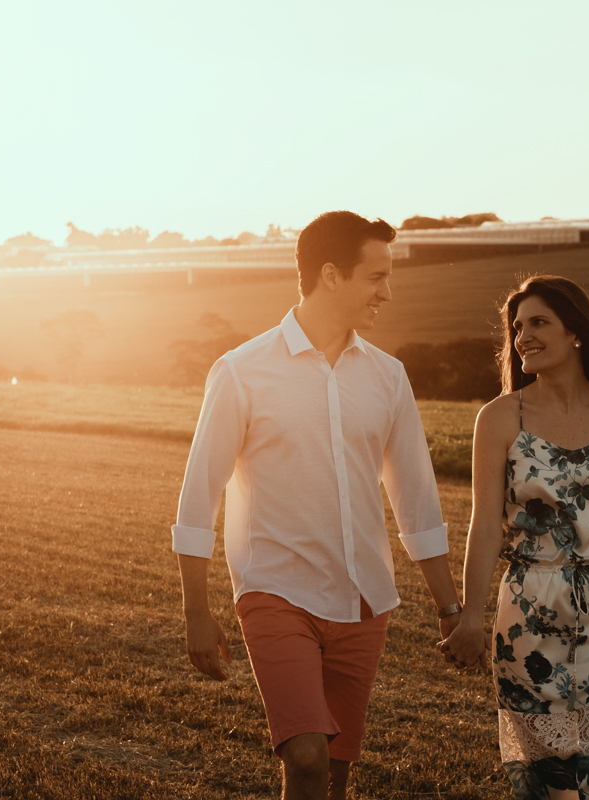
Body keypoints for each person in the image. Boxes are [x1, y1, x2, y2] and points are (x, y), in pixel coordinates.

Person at [172, 211, 463, 800]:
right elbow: (199, 494)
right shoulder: (241, 372)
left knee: (333, 772)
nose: (388, 291)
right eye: (376, 276)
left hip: (363, 601)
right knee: (304, 755)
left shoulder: (388, 377)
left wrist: (449, 607)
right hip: (275, 591)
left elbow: (416, 498)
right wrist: (196, 613)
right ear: (331, 275)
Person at [441, 275, 589, 799]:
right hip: (528, 610)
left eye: (538, 322)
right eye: (517, 327)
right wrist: (471, 617)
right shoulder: (500, 418)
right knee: (551, 781)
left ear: (577, 333)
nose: (523, 336)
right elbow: (483, 525)